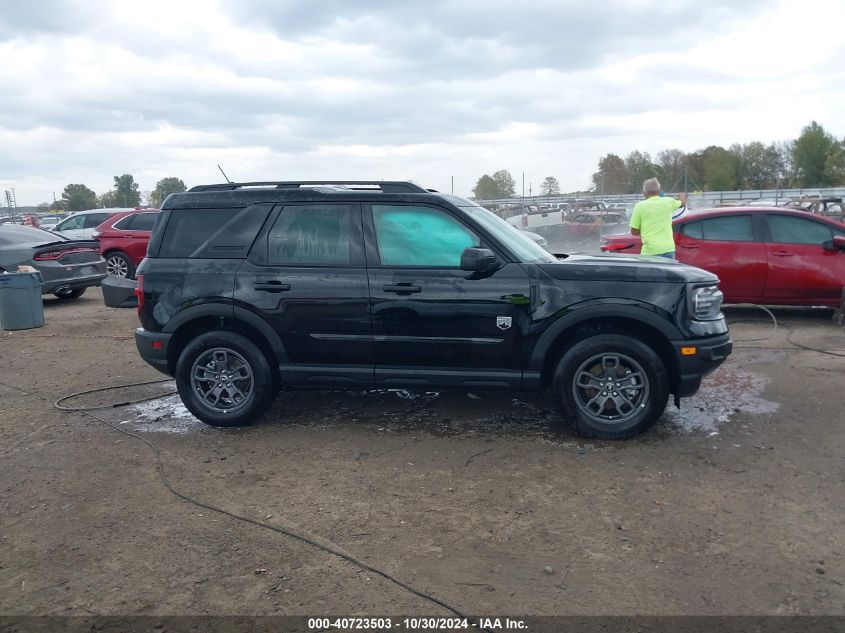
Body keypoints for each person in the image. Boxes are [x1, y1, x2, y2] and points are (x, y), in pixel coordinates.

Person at [629, 178, 686, 259]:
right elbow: (683, 203)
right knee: (667, 272)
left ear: (644, 192)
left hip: (650, 251)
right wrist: (682, 196)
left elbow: (634, 231)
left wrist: (645, 228)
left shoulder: (639, 206)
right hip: (668, 249)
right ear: (659, 190)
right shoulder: (668, 202)